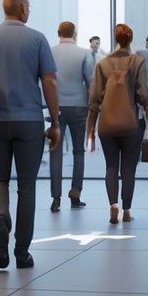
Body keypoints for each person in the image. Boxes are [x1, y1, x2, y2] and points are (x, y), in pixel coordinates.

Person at [0, 0, 60, 269]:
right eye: (28, 6)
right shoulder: (37, 39)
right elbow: (49, 82)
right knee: (27, 186)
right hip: (29, 120)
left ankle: (0, 221)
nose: (29, 10)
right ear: (21, 9)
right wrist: (55, 122)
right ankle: (21, 252)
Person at [87, 24, 148, 224]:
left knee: (111, 166)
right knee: (128, 169)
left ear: (116, 39)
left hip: (107, 124)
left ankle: (113, 206)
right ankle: (126, 211)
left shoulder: (103, 64)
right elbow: (144, 97)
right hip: (131, 124)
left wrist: (90, 130)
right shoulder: (137, 62)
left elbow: (94, 101)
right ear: (130, 39)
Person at [50, 21, 93, 211]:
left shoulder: (49, 52)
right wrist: (92, 106)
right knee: (78, 151)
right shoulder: (84, 53)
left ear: (58, 33)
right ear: (75, 34)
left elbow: (45, 79)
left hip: (56, 107)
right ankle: (76, 192)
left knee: (55, 150)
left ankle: (56, 197)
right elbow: (90, 81)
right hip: (79, 106)